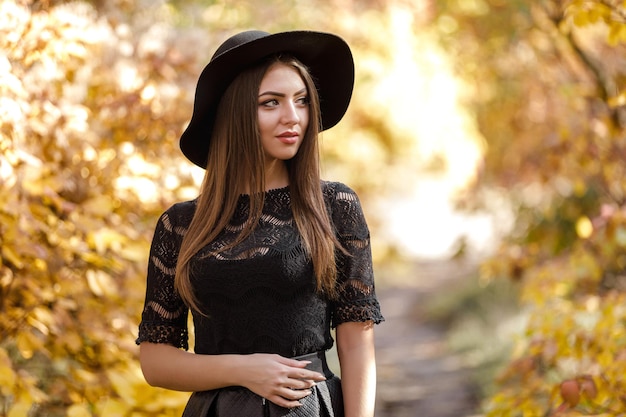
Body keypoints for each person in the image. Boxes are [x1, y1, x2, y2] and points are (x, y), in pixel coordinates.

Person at [136, 29, 384, 417]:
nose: (293, 117)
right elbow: (154, 361)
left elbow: (356, 343)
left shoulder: (334, 206)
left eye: (301, 101)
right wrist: (245, 369)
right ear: (235, 114)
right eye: (271, 103)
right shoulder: (181, 224)